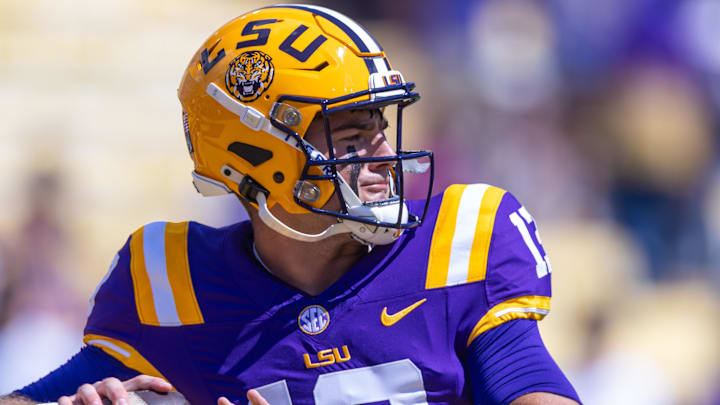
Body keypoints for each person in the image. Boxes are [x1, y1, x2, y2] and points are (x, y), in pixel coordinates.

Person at [1, 5, 581, 405]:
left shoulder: (460, 242)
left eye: (380, 127)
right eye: (351, 138)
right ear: (257, 157)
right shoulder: (172, 280)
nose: (383, 155)